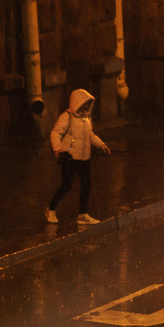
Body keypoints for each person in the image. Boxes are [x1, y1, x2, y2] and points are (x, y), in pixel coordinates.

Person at [46, 88, 109, 225]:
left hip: (84, 157)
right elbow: (56, 133)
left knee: (86, 184)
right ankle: (51, 209)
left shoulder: (87, 118)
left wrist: (101, 144)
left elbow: (90, 135)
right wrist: (57, 149)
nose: (86, 107)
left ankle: (82, 214)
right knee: (67, 185)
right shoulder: (66, 117)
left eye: (88, 104)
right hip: (69, 156)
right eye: (84, 104)